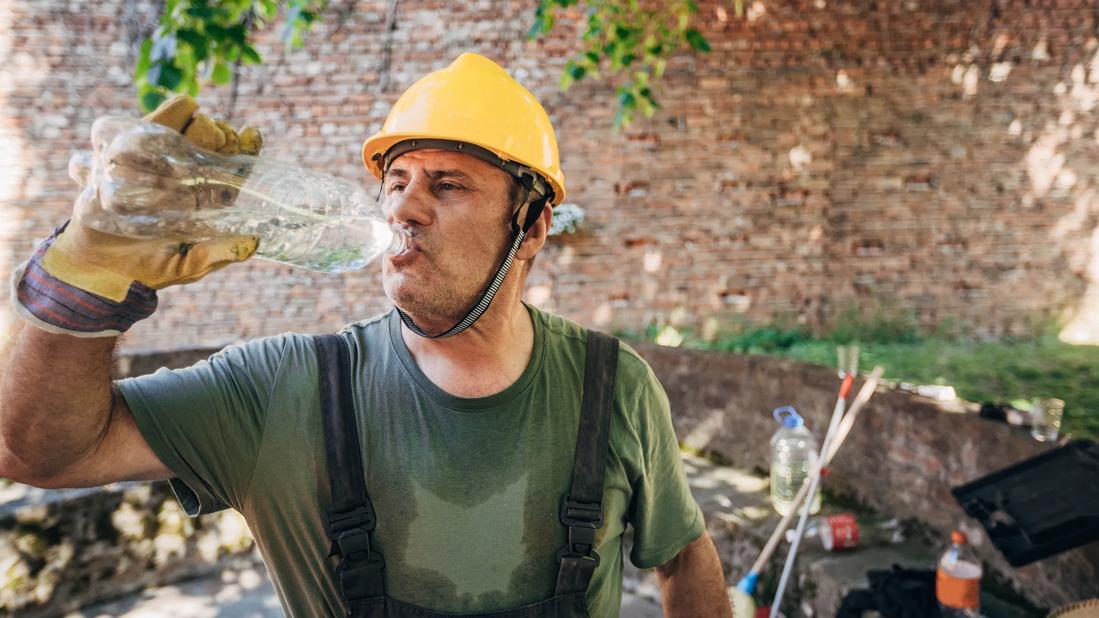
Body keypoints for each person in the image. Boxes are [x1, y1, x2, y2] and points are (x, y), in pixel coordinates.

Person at [0, 53, 731, 617]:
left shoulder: (614, 383)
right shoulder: (282, 388)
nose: (406, 207)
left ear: (532, 225)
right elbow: (30, 451)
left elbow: (684, 555)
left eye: (447, 186)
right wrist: (83, 281)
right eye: (397, 180)